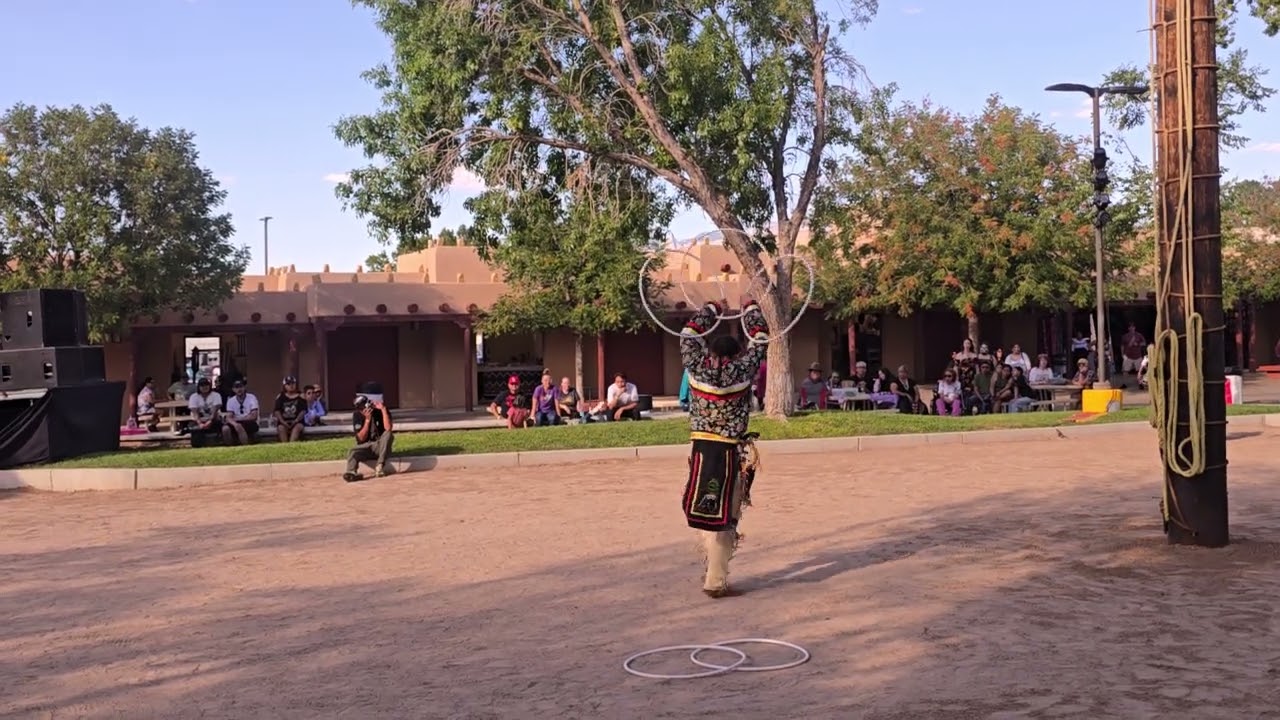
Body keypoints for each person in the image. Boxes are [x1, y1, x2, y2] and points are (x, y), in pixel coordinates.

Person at [680, 296, 769, 598]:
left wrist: (712, 310)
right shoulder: (743, 370)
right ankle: (715, 579)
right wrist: (751, 310)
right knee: (727, 513)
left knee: (706, 504)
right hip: (730, 452)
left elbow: (688, 335)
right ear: (737, 353)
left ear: (711, 352)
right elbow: (760, 339)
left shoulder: (695, 366)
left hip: (702, 450)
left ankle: (713, 571)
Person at [343, 395, 395, 482]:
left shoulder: (380, 410)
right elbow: (361, 439)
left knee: (388, 434)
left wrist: (383, 410)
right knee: (353, 450)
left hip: (380, 445)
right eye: (359, 408)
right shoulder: (357, 415)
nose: (362, 409)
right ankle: (351, 472)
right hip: (366, 446)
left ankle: (380, 465)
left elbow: (388, 428)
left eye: (363, 406)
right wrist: (367, 420)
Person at [221, 380, 260, 445]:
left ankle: (245, 447)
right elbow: (229, 417)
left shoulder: (252, 397)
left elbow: (254, 416)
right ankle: (230, 448)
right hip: (237, 422)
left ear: (244, 387)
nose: (239, 389)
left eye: (241, 387)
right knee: (225, 429)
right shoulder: (231, 400)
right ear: (233, 389)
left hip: (250, 422)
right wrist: (235, 424)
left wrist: (238, 420)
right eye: (236, 387)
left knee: (240, 427)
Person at [187, 377, 223, 448]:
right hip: (198, 421)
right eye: (202, 385)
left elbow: (215, 410)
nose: (204, 387)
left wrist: (209, 421)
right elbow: (194, 412)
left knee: (219, 426)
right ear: (199, 387)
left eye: (206, 385)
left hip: (214, 419)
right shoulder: (194, 397)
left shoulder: (216, 395)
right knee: (195, 430)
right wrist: (200, 423)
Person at [273, 376, 308, 442]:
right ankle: (285, 446)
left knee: (297, 429)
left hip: (297, 422)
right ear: (284, 386)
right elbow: (277, 411)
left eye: (293, 383)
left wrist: (296, 421)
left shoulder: (301, 396)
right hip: (283, 422)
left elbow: (303, 411)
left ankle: (292, 444)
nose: (291, 386)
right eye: (288, 384)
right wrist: (283, 422)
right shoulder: (280, 396)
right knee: (281, 429)